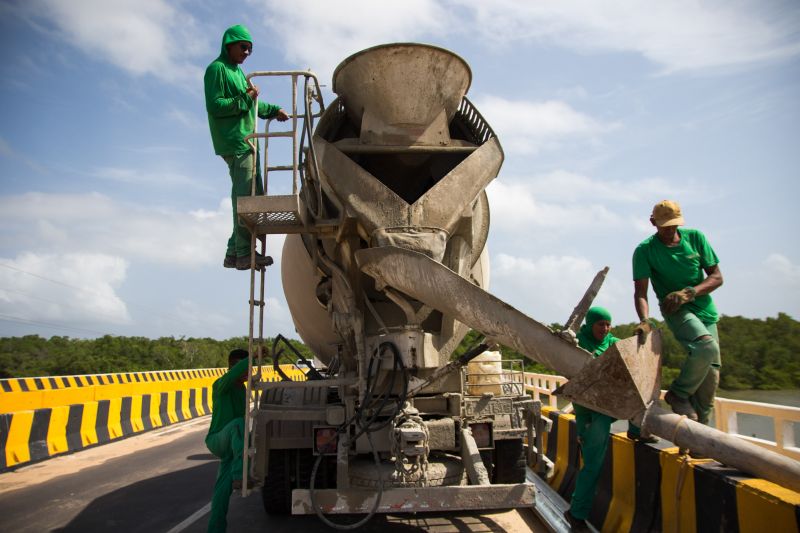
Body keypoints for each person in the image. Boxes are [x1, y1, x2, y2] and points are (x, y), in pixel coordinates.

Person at [204, 24, 289, 271]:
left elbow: (252, 106)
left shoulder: (239, 73)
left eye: (250, 49)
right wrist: (246, 98)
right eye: (243, 47)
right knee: (246, 198)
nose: (247, 53)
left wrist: (273, 110)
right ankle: (243, 252)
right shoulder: (217, 69)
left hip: (247, 140)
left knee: (248, 194)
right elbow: (216, 106)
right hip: (236, 141)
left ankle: (234, 251)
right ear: (229, 44)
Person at [632, 200, 723, 425]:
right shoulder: (645, 250)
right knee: (706, 346)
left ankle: (700, 435)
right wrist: (644, 320)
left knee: (710, 374)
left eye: (673, 225)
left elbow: (717, 277)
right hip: (675, 310)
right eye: (664, 226)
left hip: (704, 308)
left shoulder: (696, 238)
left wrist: (691, 293)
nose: (670, 230)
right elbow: (640, 292)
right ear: (653, 223)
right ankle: (678, 394)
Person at [564, 307, 618, 532]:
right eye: (600, 324)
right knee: (593, 466)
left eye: (608, 324)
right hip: (588, 411)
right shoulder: (578, 342)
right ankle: (576, 514)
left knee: (593, 465)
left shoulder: (613, 341)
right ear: (590, 324)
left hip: (607, 408)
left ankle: (636, 431)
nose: (604, 329)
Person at [205, 348, 252, 532]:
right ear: (235, 367)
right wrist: (253, 357)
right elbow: (231, 376)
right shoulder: (221, 385)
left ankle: (215, 529)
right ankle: (240, 474)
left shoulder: (242, 389)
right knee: (239, 424)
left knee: (221, 493)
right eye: (247, 368)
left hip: (230, 445)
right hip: (217, 439)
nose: (250, 372)